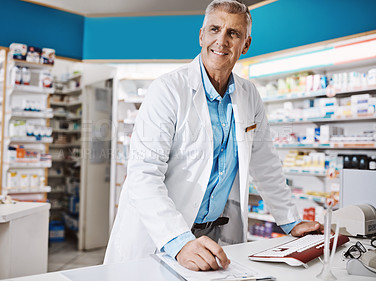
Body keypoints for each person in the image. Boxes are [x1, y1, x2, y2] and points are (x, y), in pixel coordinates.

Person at [104, 0, 323, 271]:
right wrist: (178, 241)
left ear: (246, 44)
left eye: (233, 33)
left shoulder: (249, 94)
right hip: (161, 237)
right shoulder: (168, 90)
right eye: (214, 29)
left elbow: (265, 164)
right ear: (201, 35)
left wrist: (291, 220)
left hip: (213, 237)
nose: (222, 40)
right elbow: (143, 174)